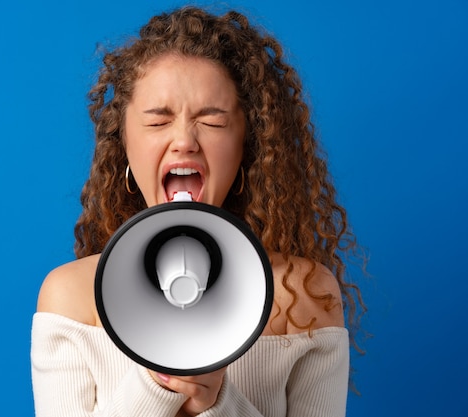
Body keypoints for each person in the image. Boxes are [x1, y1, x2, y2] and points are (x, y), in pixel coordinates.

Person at [31, 6, 365, 417]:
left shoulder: (308, 296)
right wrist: (155, 388)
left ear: (248, 145)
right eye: (157, 122)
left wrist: (218, 403)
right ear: (124, 146)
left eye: (213, 121)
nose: (184, 141)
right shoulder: (70, 299)